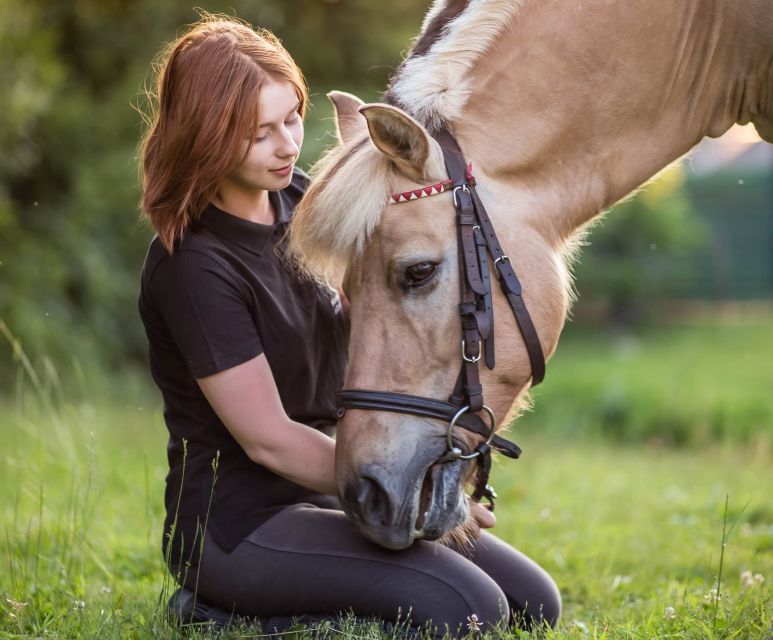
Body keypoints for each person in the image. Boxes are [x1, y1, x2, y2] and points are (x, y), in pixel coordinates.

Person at [137, 13, 561, 638]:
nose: (286, 145)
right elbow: (270, 440)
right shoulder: (194, 265)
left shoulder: (306, 205)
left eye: (291, 118)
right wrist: (411, 491)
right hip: (239, 526)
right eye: (260, 134)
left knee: (535, 605)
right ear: (206, 136)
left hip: (337, 490)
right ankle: (216, 614)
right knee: (471, 612)